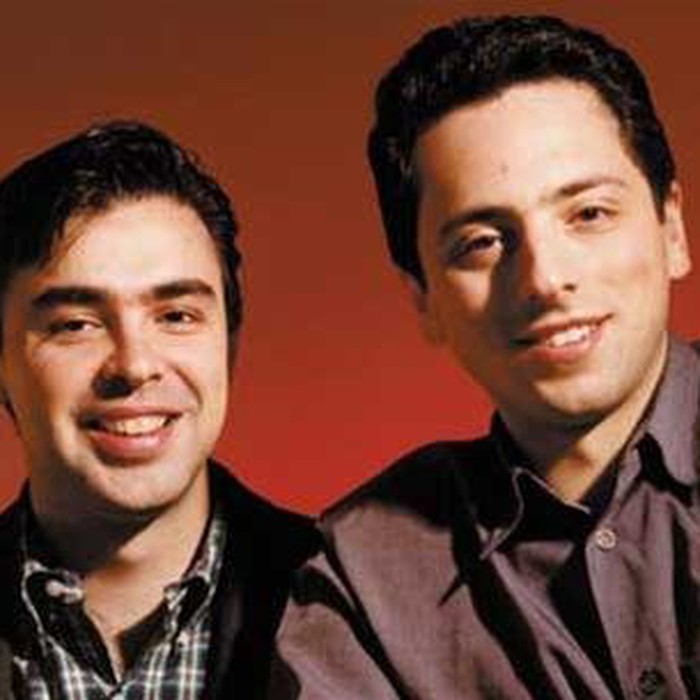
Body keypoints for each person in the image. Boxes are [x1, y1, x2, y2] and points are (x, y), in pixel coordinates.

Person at [270, 14, 700, 700]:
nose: (544, 280)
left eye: (588, 214)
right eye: (482, 242)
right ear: (423, 297)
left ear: (671, 227)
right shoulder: (366, 576)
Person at [0, 120, 318, 699]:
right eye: (76, 324)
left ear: (229, 344)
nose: (134, 364)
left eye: (176, 316)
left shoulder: (347, 601)